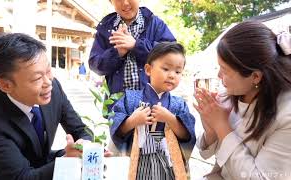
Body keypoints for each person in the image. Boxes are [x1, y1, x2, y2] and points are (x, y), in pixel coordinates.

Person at [0, 33, 92, 180]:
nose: (48, 82)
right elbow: (22, 177)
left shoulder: (53, 88)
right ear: (5, 85)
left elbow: (80, 130)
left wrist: (83, 146)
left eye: (48, 70)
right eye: (37, 78)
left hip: (39, 166)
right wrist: (68, 159)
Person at [194, 21, 291, 180]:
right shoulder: (231, 94)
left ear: (255, 76)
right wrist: (211, 130)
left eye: (224, 70)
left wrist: (221, 126)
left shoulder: (286, 116)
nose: (219, 76)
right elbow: (205, 153)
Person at [110, 42, 196, 180]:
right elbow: (117, 129)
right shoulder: (131, 98)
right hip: (138, 162)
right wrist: (132, 121)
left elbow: (187, 136)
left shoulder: (179, 104)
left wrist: (170, 119)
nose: (172, 75)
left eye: (178, 71)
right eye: (166, 68)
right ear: (148, 69)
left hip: (169, 161)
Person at [89, 0, 176, 101]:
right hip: (118, 109)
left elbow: (172, 55)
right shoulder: (105, 28)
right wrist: (117, 53)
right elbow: (95, 65)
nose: (125, 3)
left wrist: (136, 45)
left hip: (154, 105)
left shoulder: (155, 24)